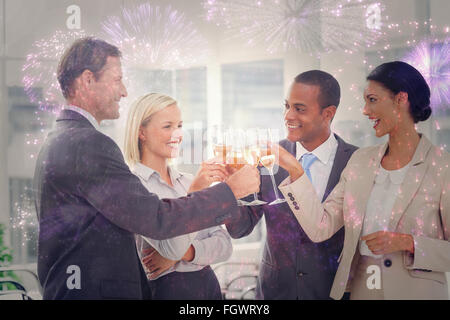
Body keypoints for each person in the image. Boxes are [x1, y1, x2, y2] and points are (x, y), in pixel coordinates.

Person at [33, 37, 260, 299]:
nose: (124, 91)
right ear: (87, 80)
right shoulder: (89, 144)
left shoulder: (58, 140)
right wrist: (228, 191)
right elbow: (157, 219)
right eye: (117, 79)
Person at [276, 61, 450, 299]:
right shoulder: (361, 161)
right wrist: (295, 170)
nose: (365, 111)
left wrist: (408, 243)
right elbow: (320, 227)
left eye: (372, 100)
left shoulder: (442, 167)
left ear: (401, 99)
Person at [225, 70, 358, 299]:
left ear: (328, 114)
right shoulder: (268, 158)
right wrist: (231, 189)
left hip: (330, 292)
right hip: (274, 292)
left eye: (299, 108)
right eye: (286, 106)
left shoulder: (355, 163)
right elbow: (239, 229)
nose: (288, 116)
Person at [123, 93, 232, 299]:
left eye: (179, 125)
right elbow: (172, 246)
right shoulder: (134, 187)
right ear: (142, 133)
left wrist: (184, 254)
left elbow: (224, 245)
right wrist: (196, 194)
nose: (178, 135)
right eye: (168, 126)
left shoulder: (188, 180)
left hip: (209, 288)